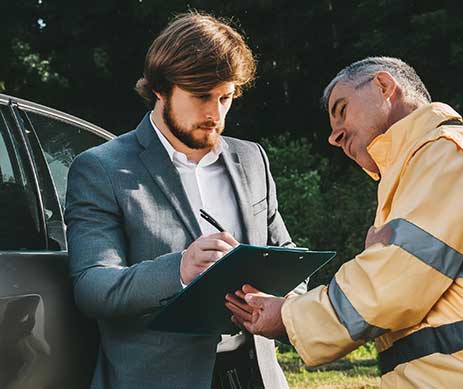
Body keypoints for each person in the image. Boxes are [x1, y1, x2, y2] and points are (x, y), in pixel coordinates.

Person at [226, 57, 463, 387]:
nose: (334, 136)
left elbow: (394, 283)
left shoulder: (450, 150)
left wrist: (289, 316)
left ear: (384, 86)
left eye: (341, 109)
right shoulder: (411, 175)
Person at [65, 12, 300, 389]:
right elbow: (93, 288)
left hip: (255, 376)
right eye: (201, 96)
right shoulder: (101, 168)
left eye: (226, 97)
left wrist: (281, 304)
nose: (215, 114)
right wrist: (180, 269)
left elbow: (284, 252)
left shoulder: (252, 158)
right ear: (160, 88)